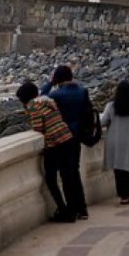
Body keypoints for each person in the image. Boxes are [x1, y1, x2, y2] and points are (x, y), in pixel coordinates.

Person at [17, 82, 77, 223]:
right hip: (67, 138)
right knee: (68, 177)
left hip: (54, 144)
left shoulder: (33, 107)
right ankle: (73, 210)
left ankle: (62, 209)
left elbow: (38, 129)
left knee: (51, 179)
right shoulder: (48, 102)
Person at [41, 65, 90, 220]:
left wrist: (50, 83)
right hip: (78, 136)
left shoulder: (57, 95)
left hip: (62, 138)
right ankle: (82, 208)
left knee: (65, 174)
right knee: (74, 171)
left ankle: (71, 209)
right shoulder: (83, 92)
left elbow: (41, 100)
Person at [101, 81, 129, 205]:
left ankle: (122, 194)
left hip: (114, 141)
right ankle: (128, 193)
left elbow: (103, 121)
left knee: (118, 169)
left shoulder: (111, 106)